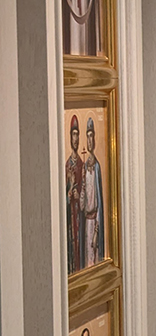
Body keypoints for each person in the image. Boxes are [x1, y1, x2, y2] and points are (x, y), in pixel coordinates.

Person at [81, 115, 105, 267]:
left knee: (95, 261)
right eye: (87, 137)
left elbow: (99, 204)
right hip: (86, 223)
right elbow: (82, 205)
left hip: (94, 221)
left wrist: (97, 231)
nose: (89, 140)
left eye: (92, 136)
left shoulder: (97, 167)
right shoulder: (84, 167)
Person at [65, 114, 84, 274]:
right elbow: (64, 195)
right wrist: (69, 193)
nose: (76, 139)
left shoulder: (82, 164)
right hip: (70, 216)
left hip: (80, 215)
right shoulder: (66, 165)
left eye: (77, 134)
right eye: (73, 134)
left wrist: (80, 196)